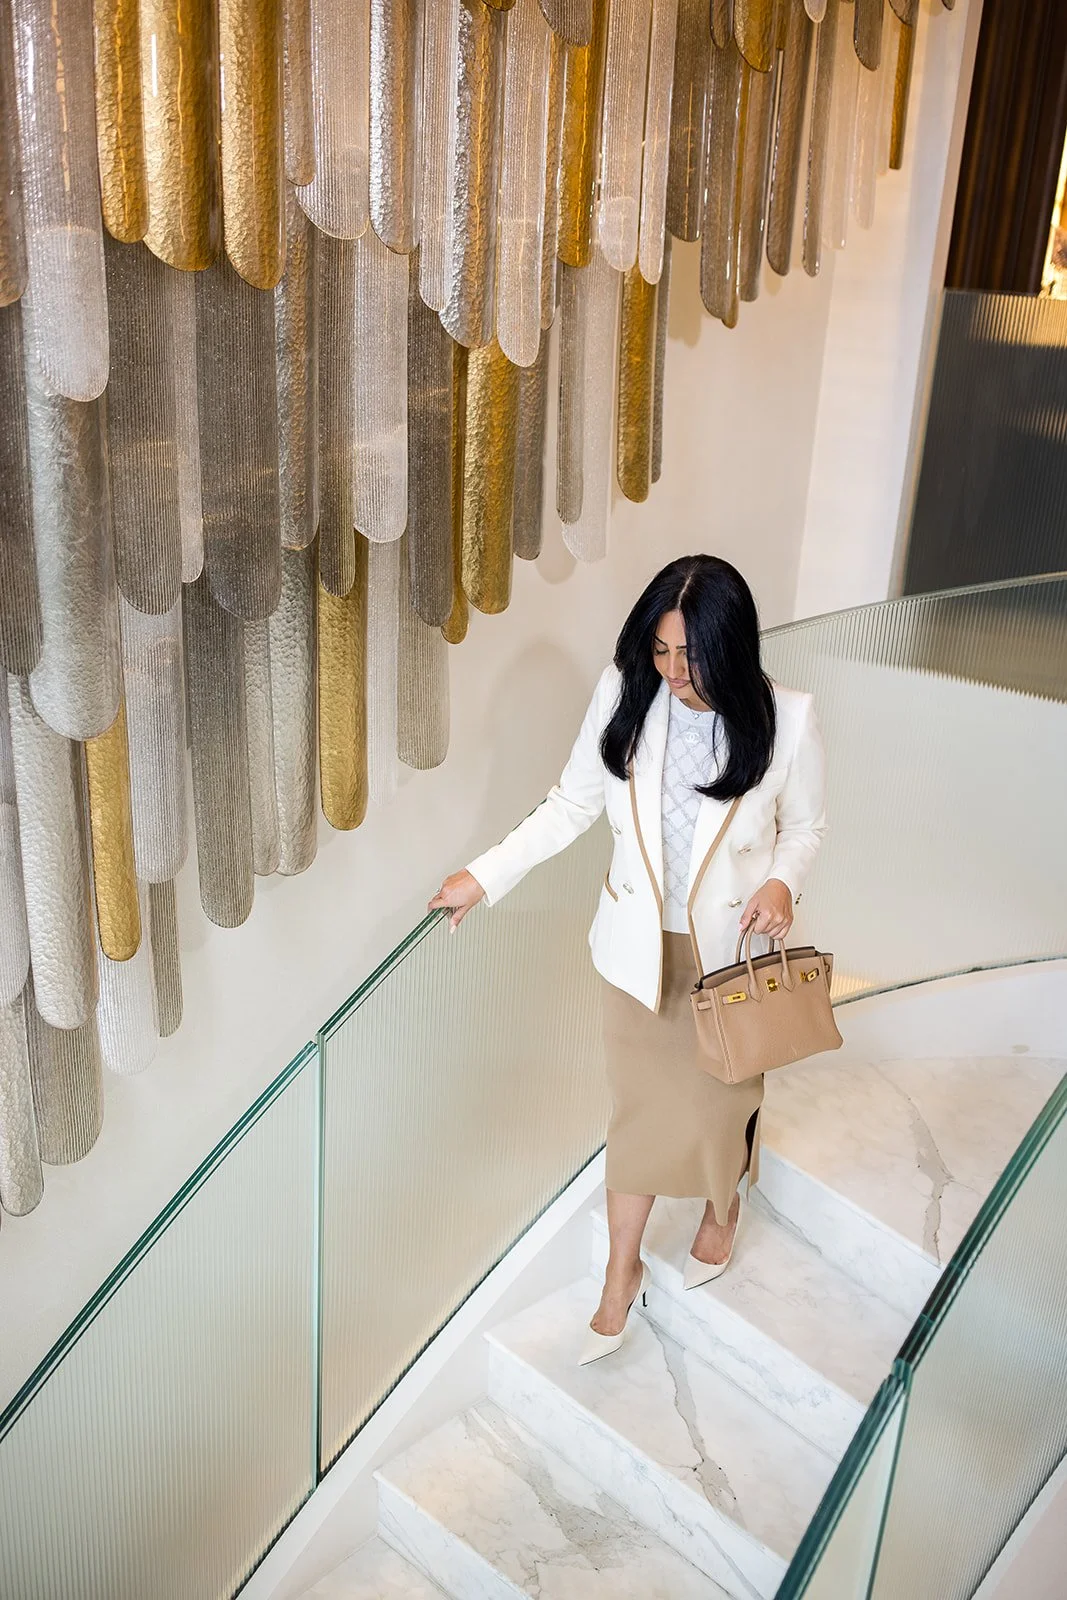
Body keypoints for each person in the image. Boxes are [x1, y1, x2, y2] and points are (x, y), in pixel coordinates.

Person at [429, 555, 826, 1365]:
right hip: (635, 953)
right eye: (661, 652)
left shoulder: (787, 719)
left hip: (729, 955)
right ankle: (621, 1272)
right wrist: (486, 873)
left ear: (733, 647)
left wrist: (782, 883)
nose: (675, 674)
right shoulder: (624, 695)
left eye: (692, 656)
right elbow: (573, 802)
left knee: (722, 1102)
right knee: (638, 1116)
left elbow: (806, 827)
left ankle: (723, 1208)